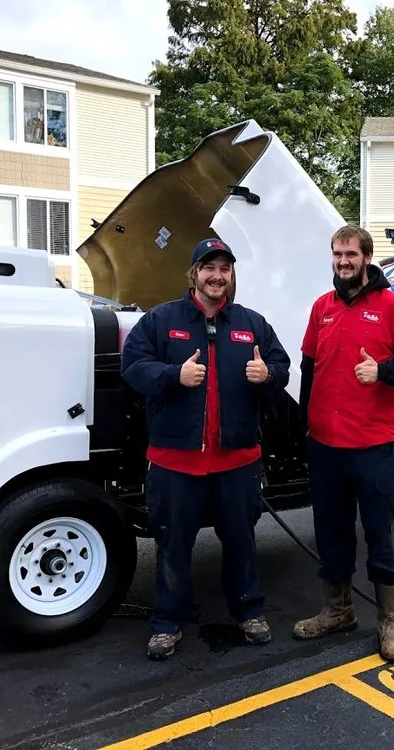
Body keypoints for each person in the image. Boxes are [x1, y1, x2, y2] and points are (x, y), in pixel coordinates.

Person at [121, 237, 291, 660]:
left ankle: (249, 612)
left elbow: (282, 367)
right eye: (209, 267)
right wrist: (172, 376)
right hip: (176, 462)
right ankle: (166, 623)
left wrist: (268, 375)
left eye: (224, 269)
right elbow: (133, 367)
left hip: (237, 461)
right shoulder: (161, 320)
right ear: (194, 273)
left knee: (241, 541)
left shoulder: (251, 323)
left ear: (231, 276)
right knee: (173, 546)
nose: (217, 276)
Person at [293, 225, 394, 662]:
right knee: (330, 530)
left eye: (351, 255)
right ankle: (337, 610)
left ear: (367, 258)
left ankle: (389, 621)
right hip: (325, 445)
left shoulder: (391, 306)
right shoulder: (322, 307)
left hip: (372, 445)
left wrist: (383, 371)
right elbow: (308, 367)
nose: (343, 262)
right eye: (337, 254)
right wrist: (305, 423)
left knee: (378, 531)